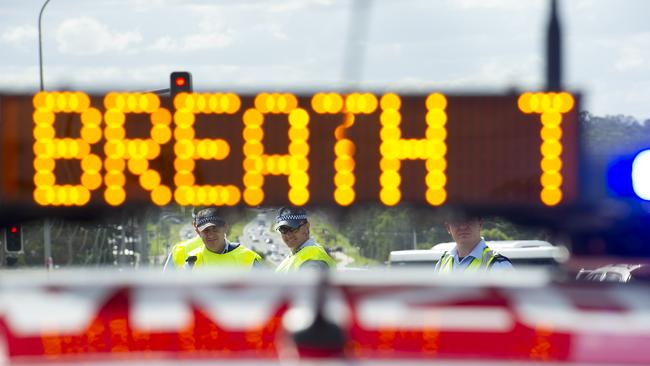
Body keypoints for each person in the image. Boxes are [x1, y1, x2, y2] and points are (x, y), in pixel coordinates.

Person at [185, 207, 262, 269]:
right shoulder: (192, 261)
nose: (211, 235)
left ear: (225, 227)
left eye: (215, 229)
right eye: (206, 230)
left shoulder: (249, 258)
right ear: (199, 232)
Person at [434, 215, 513, 272]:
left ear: (480, 224)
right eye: (457, 221)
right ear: (448, 228)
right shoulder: (442, 263)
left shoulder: (498, 264)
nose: (463, 227)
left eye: (469, 220)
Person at [273, 206, 336, 272]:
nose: (288, 234)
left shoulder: (313, 257)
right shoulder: (293, 256)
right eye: (283, 229)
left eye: (293, 228)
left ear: (306, 227)